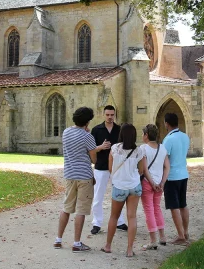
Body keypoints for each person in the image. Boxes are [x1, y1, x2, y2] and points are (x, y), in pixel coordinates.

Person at [53, 107, 97, 252]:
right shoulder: (87, 136)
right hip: (84, 176)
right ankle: (77, 243)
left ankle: (58, 239)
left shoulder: (66, 132)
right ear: (88, 121)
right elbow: (93, 158)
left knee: (66, 207)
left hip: (70, 174)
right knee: (81, 210)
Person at [101, 123, 144, 257]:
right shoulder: (139, 151)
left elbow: (110, 168)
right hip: (134, 186)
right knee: (132, 217)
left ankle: (108, 246)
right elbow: (141, 170)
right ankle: (130, 249)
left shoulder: (114, 149)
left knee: (114, 216)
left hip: (119, 186)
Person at [90, 105, 127, 234]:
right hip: (100, 167)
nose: (110, 117)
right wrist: (100, 147)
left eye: (112, 115)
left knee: (119, 196)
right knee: (98, 196)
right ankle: (96, 223)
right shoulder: (96, 130)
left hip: (117, 168)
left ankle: (120, 221)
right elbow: (91, 149)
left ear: (115, 115)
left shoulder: (120, 129)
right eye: (108, 115)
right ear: (103, 114)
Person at [162, 112, 190, 245]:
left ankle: (180, 236)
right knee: (183, 204)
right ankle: (185, 232)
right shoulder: (185, 136)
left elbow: (164, 159)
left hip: (172, 176)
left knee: (174, 207)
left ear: (166, 124)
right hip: (183, 174)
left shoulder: (168, 139)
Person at [140, 123, 170, 250]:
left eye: (143, 133)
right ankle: (162, 237)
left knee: (149, 210)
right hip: (159, 182)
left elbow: (144, 169)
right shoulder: (162, 148)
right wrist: (162, 183)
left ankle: (153, 240)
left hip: (148, 183)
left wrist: (152, 183)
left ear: (146, 135)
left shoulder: (143, 149)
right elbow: (167, 167)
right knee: (157, 208)